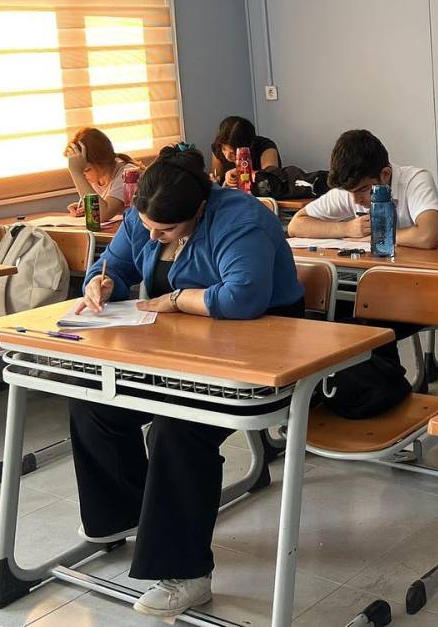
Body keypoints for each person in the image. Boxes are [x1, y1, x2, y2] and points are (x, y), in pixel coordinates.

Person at [67, 144, 304, 618]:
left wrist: (176, 300)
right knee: (94, 403)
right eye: (146, 226)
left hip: (261, 352)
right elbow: (114, 264)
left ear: (198, 208)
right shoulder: (145, 215)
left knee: (177, 428)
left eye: (166, 231)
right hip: (180, 350)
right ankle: (125, 515)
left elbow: (242, 298)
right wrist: (101, 282)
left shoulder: (241, 219)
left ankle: (186, 574)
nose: (152, 237)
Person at [287, 129, 438, 249]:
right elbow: (296, 225)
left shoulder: (416, 181)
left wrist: (376, 237)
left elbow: (428, 236)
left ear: (385, 174)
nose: (356, 200)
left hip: (430, 274)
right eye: (350, 192)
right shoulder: (352, 188)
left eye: (363, 190)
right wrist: (347, 228)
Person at [64, 127, 141, 222]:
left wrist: (76, 173)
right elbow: (104, 205)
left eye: (87, 170)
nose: (83, 176)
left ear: (102, 162)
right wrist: (85, 206)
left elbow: (101, 215)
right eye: (81, 172)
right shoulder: (99, 177)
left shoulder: (128, 174)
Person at [209, 115, 281, 187]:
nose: (227, 156)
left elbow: (271, 178)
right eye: (224, 149)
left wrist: (243, 172)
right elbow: (217, 177)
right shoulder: (218, 147)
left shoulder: (265, 146)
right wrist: (214, 181)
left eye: (233, 152)